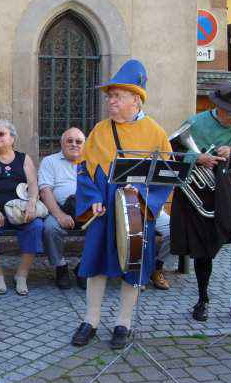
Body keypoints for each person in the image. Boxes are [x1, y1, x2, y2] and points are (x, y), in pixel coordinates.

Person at [71, 59, 172, 349]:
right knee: (96, 263)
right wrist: (92, 202)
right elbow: (84, 171)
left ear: (135, 100)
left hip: (136, 211)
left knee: (133, 264)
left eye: (117, 96)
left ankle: (123, 323)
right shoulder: (100, 131)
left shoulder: (155, 133)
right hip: (104, 209)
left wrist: (146, 204)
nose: (110, 102)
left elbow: (166, 177)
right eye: (109, 96)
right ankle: (90, 320)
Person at [170, 83, 231, 326]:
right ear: (217, 107)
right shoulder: (196, 122)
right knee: (204, 248)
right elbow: (173, 154)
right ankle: (202, 300)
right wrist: (197, 157)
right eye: (230, 112)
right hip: (204, 194)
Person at [0, 119, 44, 296]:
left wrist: (32, 203)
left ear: (12, 138)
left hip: (20, 211)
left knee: (36, 226)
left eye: (1, 134)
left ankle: (22, 275)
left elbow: (33, 183)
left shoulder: (23, 159)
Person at [38, 127, 86, 289]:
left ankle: (84, 267)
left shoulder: (91, 162)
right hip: (60, 208)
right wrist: (59, 215)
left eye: (79, 141)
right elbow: (45, 191)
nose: (74, 144)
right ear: (62, 143)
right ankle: (61, 267)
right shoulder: (50, 161)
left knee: (106, 226)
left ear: (84, 144)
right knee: (50, 228)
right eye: (69, 141)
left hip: (87, 210)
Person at [151, 209, 172, 290]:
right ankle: (137, 273)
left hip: (155, 209)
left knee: (174, 231)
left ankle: (157, 269)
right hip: (131, 208)